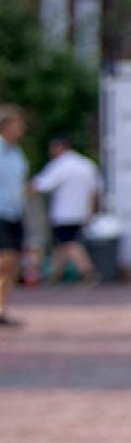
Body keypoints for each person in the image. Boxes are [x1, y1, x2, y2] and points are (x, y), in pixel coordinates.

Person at [32, 135, 102, 287]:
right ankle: (53, 276)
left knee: (70, 244)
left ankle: (88, 271)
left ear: (59, 148)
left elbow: (42, 184)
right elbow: (96, 190)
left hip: (64, 212)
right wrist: (93, 209)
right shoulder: (87, 165)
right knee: (62, 246)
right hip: (82, 211)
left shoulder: (60, 165)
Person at [0, 106, 28, 324]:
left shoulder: (17, 153)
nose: (21, 130)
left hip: (15, 212)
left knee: (12, 264)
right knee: (5, 261)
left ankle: (1, 308)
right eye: (17, 125)